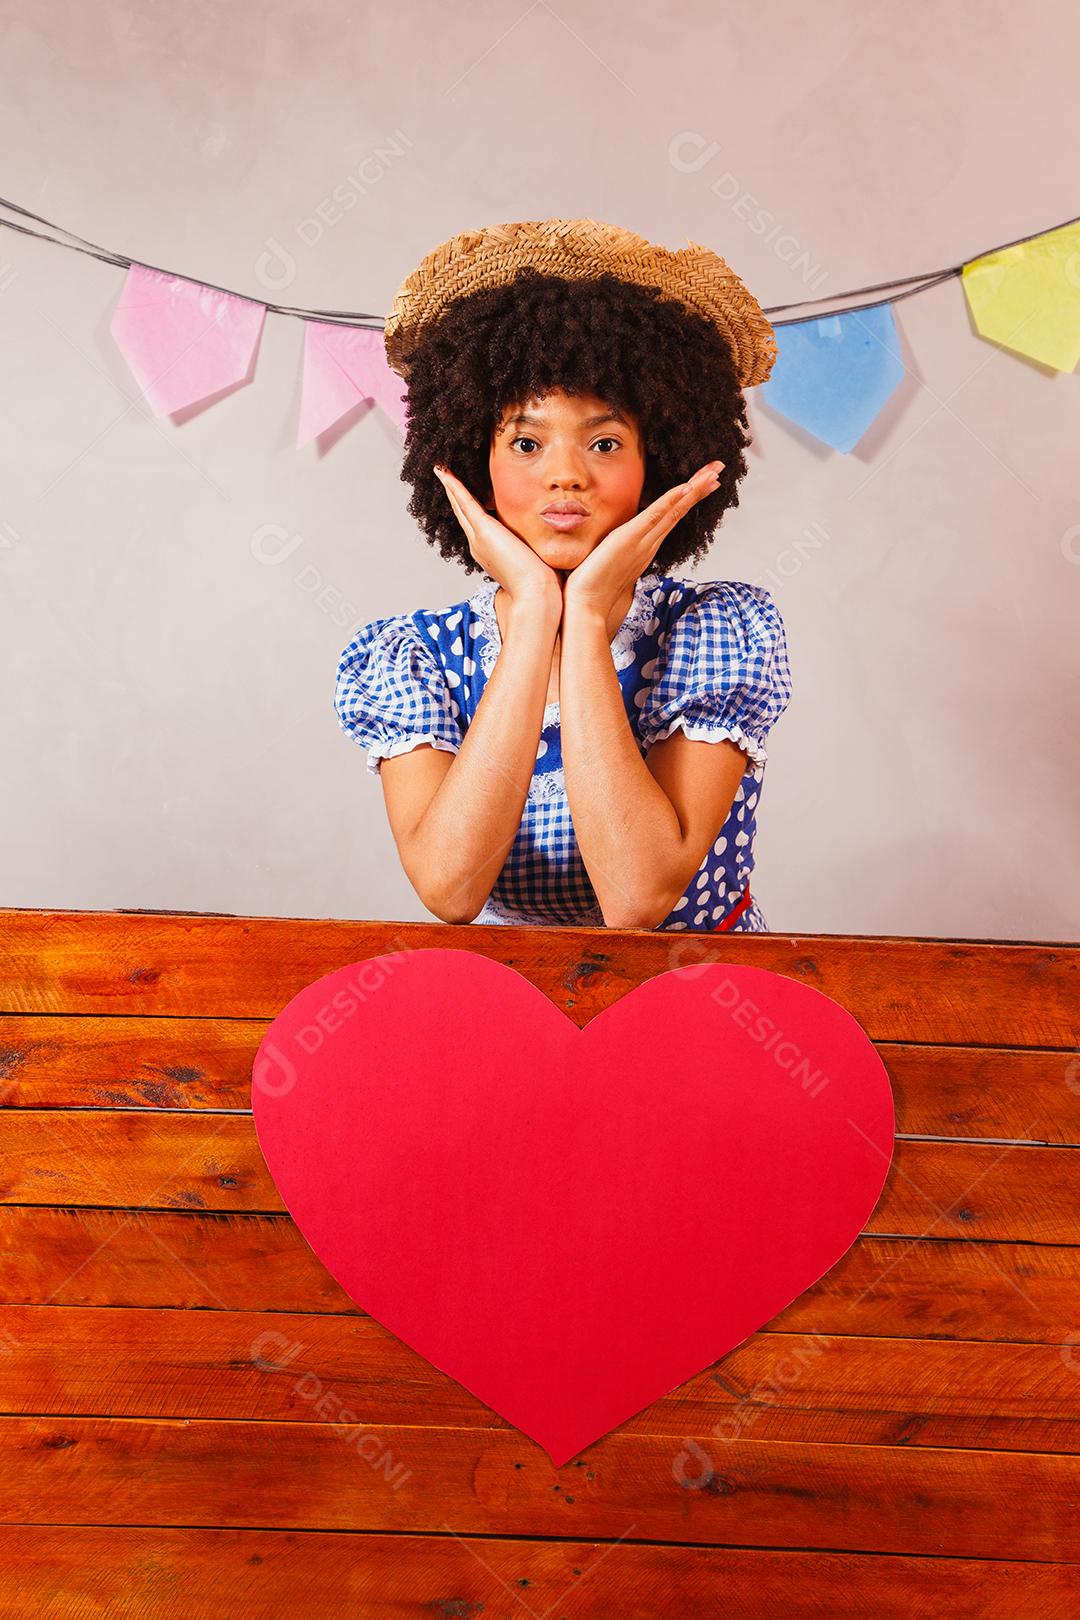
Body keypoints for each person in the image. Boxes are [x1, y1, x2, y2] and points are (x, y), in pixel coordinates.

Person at [334, 217, 793, 932]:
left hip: (701, 990)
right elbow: (450, 891)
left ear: (658, 466)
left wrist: (583, 616)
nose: (566, 475)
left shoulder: (715, 631)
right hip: (515, 995)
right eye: (526, 443)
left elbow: (637, 899)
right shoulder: (415, 656)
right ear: (474, 464)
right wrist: (532, 614)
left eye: (604, 443)